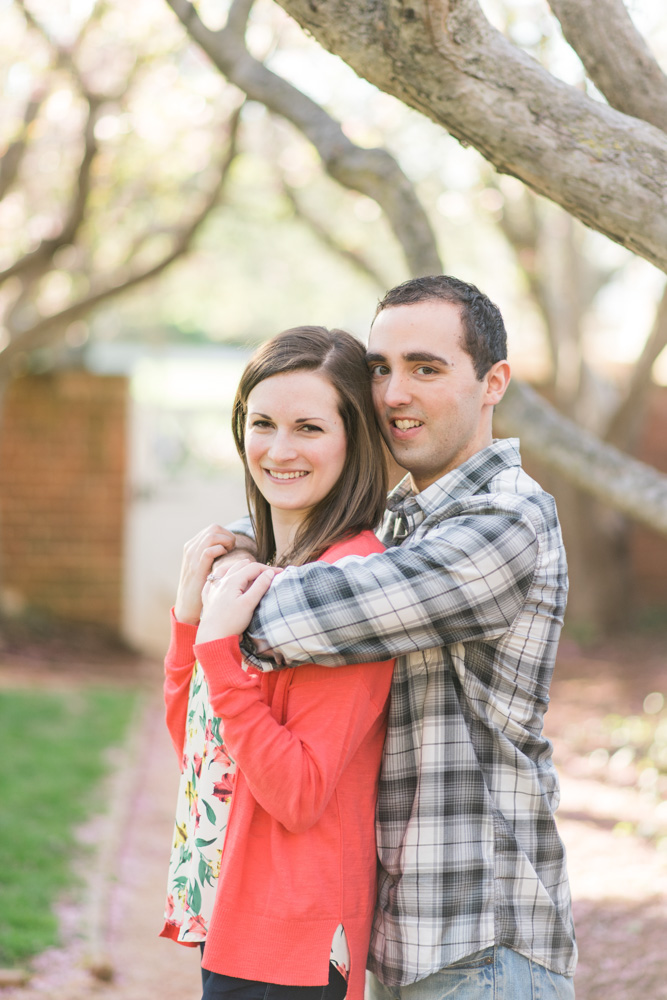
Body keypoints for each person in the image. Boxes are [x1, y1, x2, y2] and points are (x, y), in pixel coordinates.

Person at [219, 276, 577, 999]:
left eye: (425, 367)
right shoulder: (399, 524)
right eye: (378, 368)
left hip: (484, 944)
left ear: (492, 382)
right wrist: (235, 551)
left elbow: (304, 613)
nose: (391, 394)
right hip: (405, 945)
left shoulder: (505, 522)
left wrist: (224, 583)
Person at [161, 325, 395, 1000]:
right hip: (241, 920)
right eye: (262, 423)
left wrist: (216, 649)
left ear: (353, 439)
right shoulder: (274, 571)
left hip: (294, 938)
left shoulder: (349, 583)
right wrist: (188, 622)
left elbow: (297, 793)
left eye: (309, 428)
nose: (280, 449)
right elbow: (201, 754)